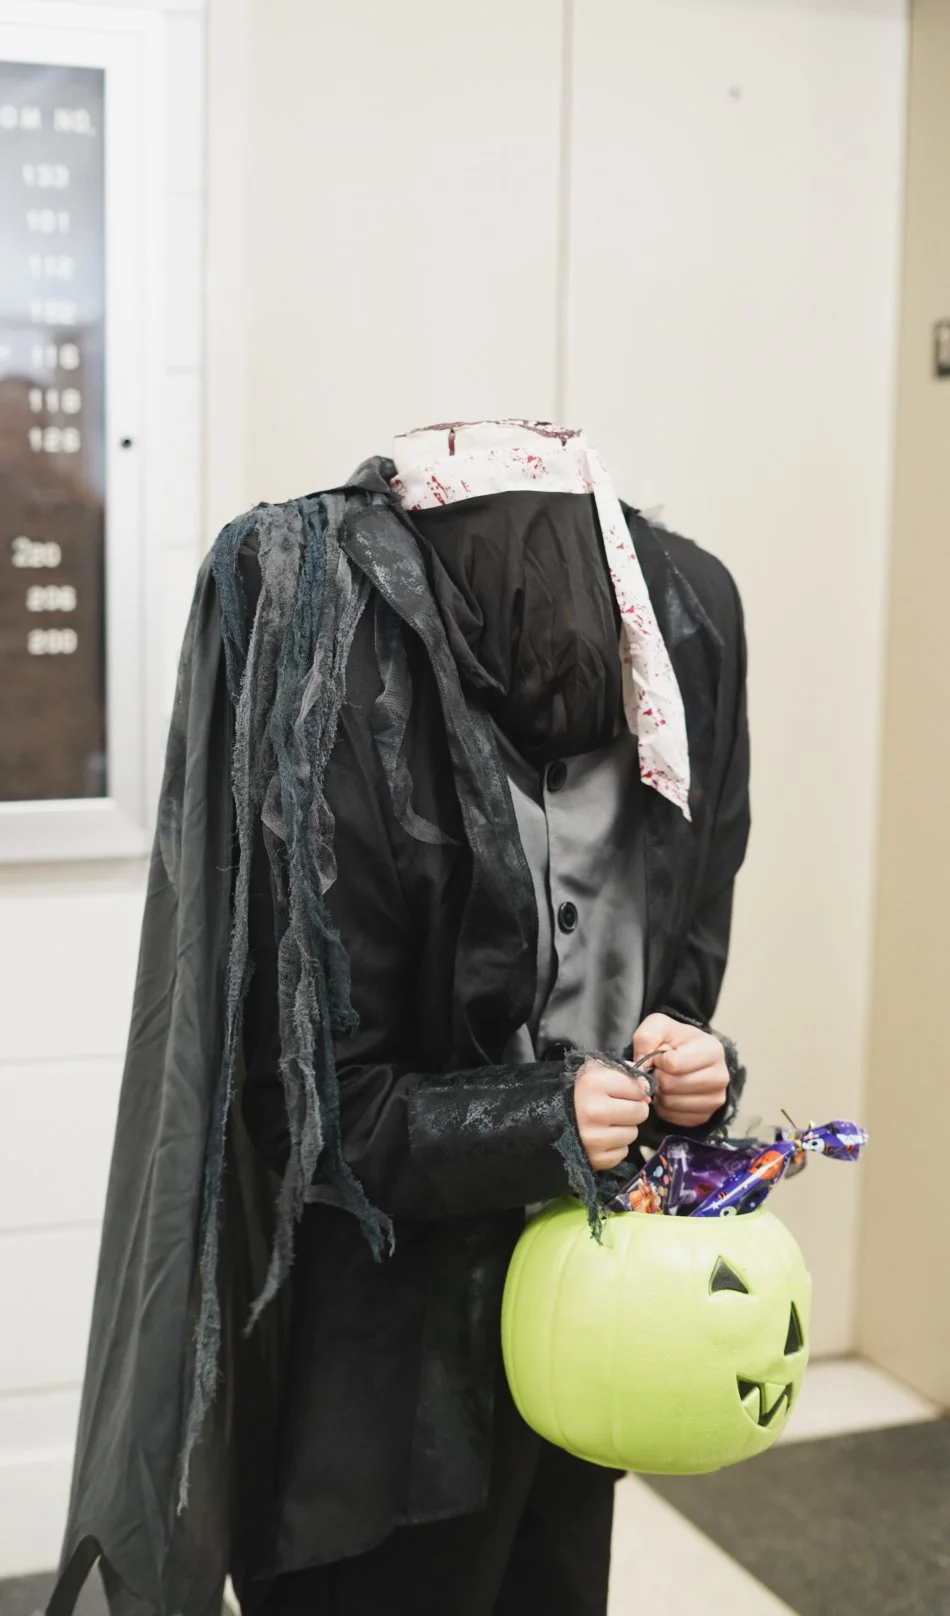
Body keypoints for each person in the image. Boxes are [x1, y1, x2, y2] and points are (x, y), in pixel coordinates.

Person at [51, 422, 749, 1616]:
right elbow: (312, 1103)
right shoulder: (329, 633)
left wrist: (694, 1064)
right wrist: (540, 1114)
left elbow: (675, 952)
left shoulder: (686, 621)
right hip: (375, 1378)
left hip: (589, 1327)